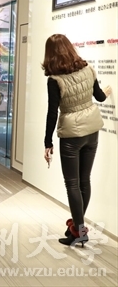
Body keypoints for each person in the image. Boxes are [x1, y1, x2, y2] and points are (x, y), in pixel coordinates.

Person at [42, 34, 111, 247]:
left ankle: (79, 231)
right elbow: (99, 97)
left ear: (50, 55)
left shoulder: (55, 80)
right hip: (92, 130)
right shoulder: (88, 69)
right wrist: (107, 92)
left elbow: (52, 113)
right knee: (84, 180)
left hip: (71, 135)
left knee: (72, 183)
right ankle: (77, 228)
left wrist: (47, 142)